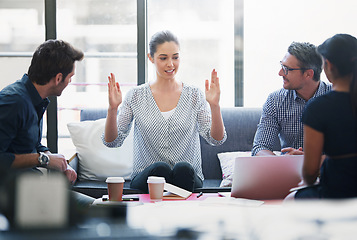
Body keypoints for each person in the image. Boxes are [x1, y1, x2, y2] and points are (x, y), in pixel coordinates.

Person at [102, 30, 227, 193]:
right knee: (160, 170)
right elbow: (112, 141)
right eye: (163, 58)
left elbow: (216, 140)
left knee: (183, 169)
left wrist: (215, 106)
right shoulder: (136, 96)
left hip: (188, 178)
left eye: (175, 57)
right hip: (146, 178)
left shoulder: (194, 95)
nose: (171, 64)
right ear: (151, 58)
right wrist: (112, 109)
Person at [0, 39, 94, 205]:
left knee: (98, 206)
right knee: (96, 209)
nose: (70, 82)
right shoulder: (14, 102)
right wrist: (44, 160)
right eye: (70, 77)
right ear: (58, 78)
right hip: (13, 194)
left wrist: (58, 161)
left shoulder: (35, 99)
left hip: (30, 187)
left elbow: (32, 145)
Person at [292, 34, 357, 199]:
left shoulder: (318, 108)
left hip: (336, 195)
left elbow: (310, 172)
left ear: (328, 65)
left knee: (292, 199)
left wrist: (306, 183)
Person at [252, 42, 332, 156]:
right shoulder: (275, 100)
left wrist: (308, 159)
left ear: (308, 74)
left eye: (287, 69)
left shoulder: (339, 98)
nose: (280, 73)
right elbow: (260, 147)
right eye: (282, 66)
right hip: (286, 170)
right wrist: (280, 163)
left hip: (328, 171)